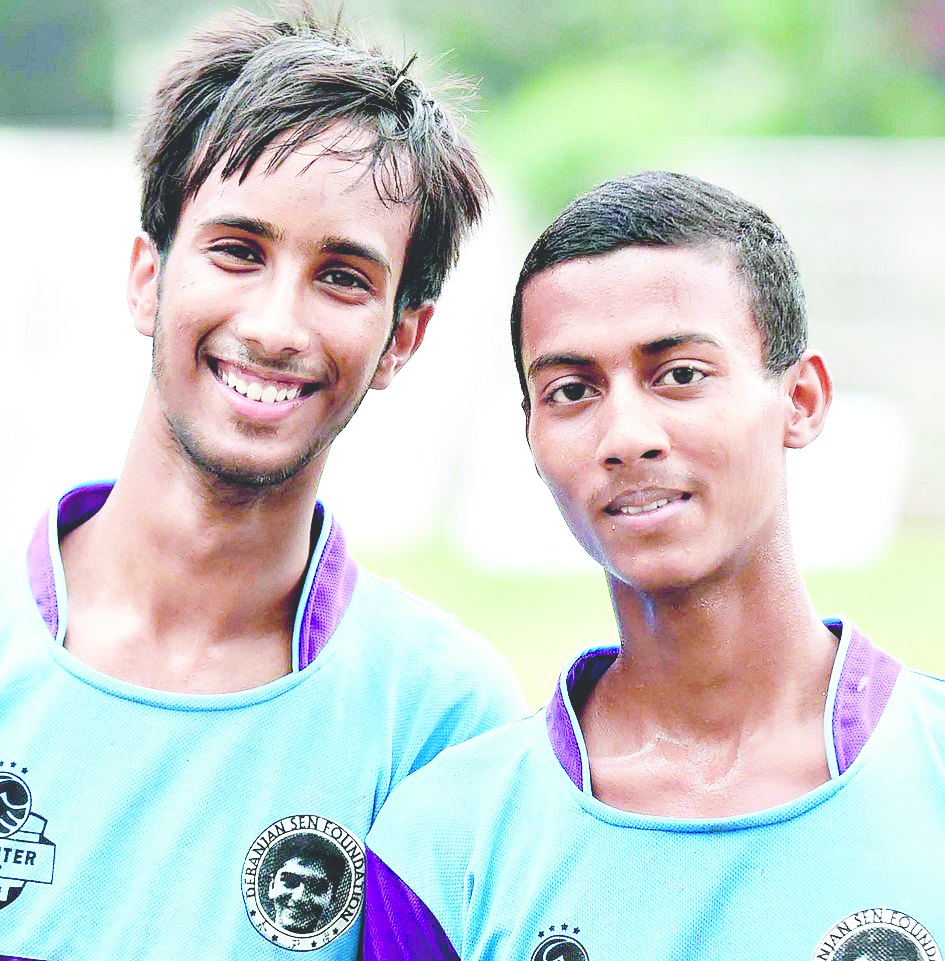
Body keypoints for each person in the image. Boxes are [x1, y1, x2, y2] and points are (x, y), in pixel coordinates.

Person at [0, 7, 524, 959]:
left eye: (343, 277)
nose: (276, 325)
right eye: (238, 251)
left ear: (401, 340)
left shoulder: (441, 718)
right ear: (147, 277)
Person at [363, 172, 945, 960]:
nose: (626, 436)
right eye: (571, 390)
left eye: (679, 375)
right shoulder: (443, 841)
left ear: (801, 399)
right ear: (530, 437)